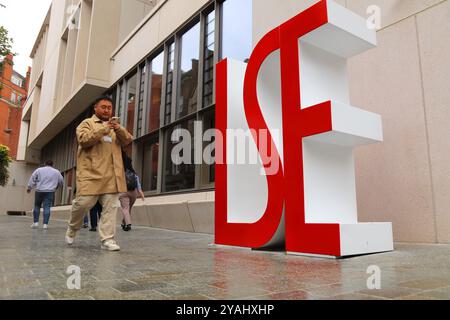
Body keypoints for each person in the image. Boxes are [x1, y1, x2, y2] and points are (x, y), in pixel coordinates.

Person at [65, 95, 133, 251]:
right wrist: (104, 129)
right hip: (91, 174)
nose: (107, 110)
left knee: (110, 208)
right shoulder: (87, 123)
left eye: (109, 107)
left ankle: (108, 239)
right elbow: (83, 140)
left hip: (112, 175)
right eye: (103, 107)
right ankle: (72, 228)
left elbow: (127, 140)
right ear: (95, 108)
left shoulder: (115, 127)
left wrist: (119, 129)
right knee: (83, 204)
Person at [27, 160, 64, 229]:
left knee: (37, 206)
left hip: (39, 191)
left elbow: (32, 178)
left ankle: (36, 223)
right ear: (52, 165)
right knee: (47, 207)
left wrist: (29, 187)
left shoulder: (39, 170)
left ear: (45, 164)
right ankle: (45, 224)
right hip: (50, 192)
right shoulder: (57, 172)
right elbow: (61, 181)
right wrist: (57, 186)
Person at [119, 152, 145, 232]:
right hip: (134, 193)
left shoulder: (119, 172)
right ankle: (124, 223)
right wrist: (141, 193)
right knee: (128, 209)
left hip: (123, 192)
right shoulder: (133, 173)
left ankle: (128, 224)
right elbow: (138, 185)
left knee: (125, 209)